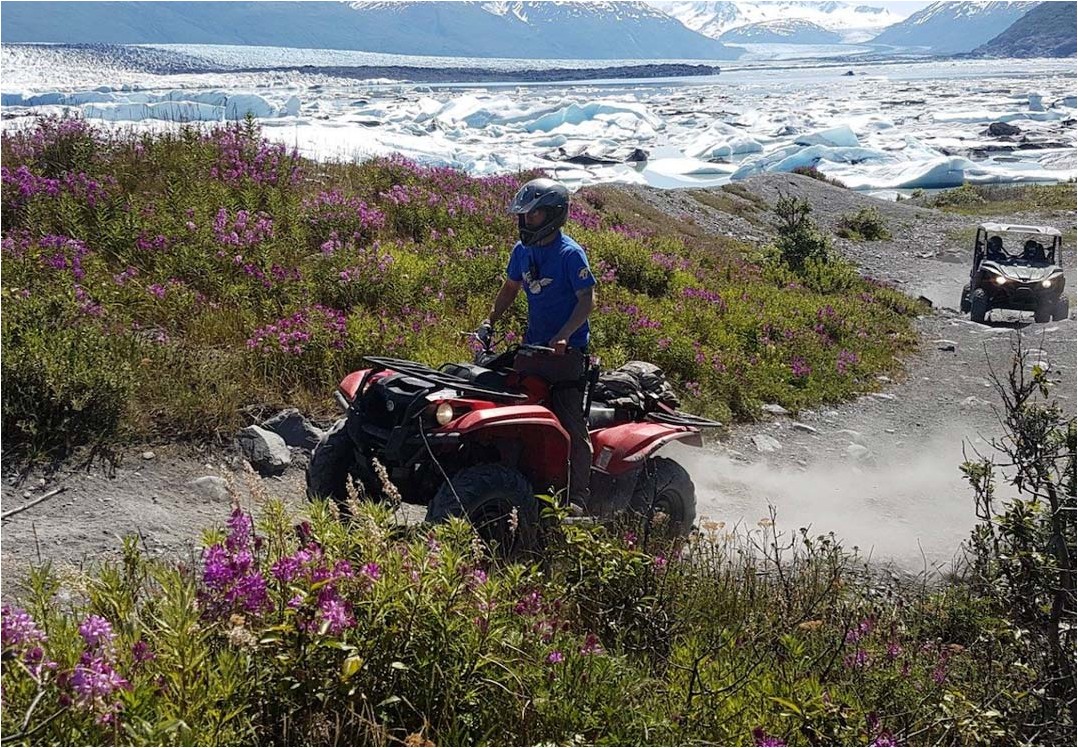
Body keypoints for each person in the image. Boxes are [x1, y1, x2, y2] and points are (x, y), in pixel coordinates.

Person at [477, 178, 596, 508]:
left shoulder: (570, 254)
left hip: (566, 355)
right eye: (525, 216)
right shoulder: (521, 251)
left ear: (554, 215)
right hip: (531, 350)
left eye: (535, 215)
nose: (527, 221)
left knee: (570, 423)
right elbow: (510, 288)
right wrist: (489, 321)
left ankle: (578, 498)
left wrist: (565, 335)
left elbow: (587, 300)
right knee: (512, 410)